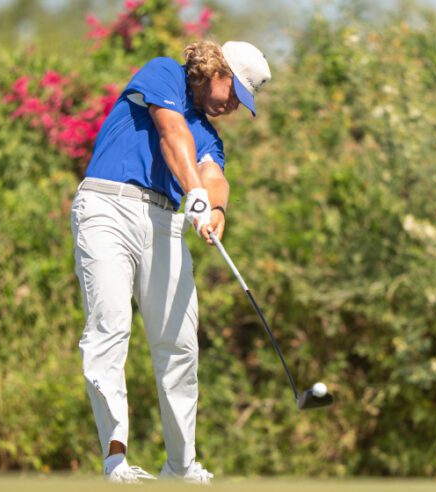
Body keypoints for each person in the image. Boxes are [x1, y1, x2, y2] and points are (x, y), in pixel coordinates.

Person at [70, 40, 271, 484]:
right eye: (234, 94)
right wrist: (194, 192)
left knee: (180, 345)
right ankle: (116, 461)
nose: (232, 107)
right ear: (216, 72)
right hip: (107, 206)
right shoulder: (164, 73)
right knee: (110, 329)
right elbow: (170, 132)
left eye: (241, 103)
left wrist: (215, 210)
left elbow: (215, 176)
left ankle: (180, 467)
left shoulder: (210, 136)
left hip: (164, 222)